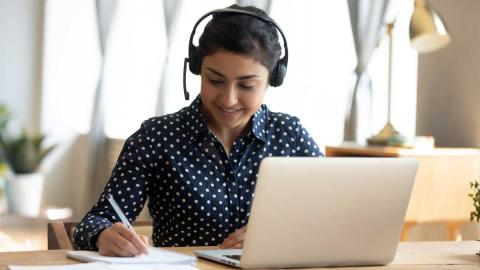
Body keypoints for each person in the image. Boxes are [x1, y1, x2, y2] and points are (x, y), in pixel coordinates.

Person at [73, 4, 323, 257]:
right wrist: (103, 235)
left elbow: (332, 216)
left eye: (247, 85)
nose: (228, 99)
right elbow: (94, 222)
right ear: (196, 69)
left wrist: (279, 235)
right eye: (215, 80)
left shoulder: (290, 136)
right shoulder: (157, 137)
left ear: (273, 78)